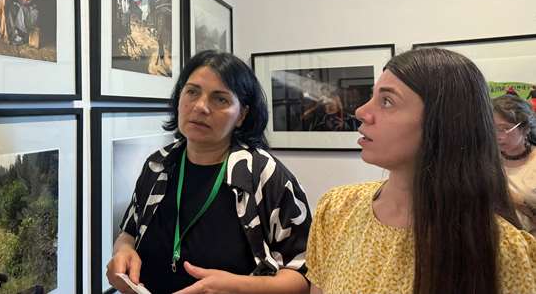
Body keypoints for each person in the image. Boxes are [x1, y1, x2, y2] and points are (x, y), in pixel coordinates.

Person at [306, 48, 536, 294]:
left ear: (443, 122)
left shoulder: (503, 250)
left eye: (387, 101)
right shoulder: (337, 209)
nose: (361, 112)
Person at [106, 50, 311, 294]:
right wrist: (123, 251)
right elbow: (128, 232)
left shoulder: (266, 176)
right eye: (192, 91)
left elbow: (304, 276)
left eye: (220, 99)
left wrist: (240, 288)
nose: (201, 106)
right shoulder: (159, 164)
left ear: (242, 115)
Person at [493, 94, 536, 236]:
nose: (497, 135)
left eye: (503, 128)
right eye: (491, 128)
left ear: (525, 128)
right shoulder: (487, 161)